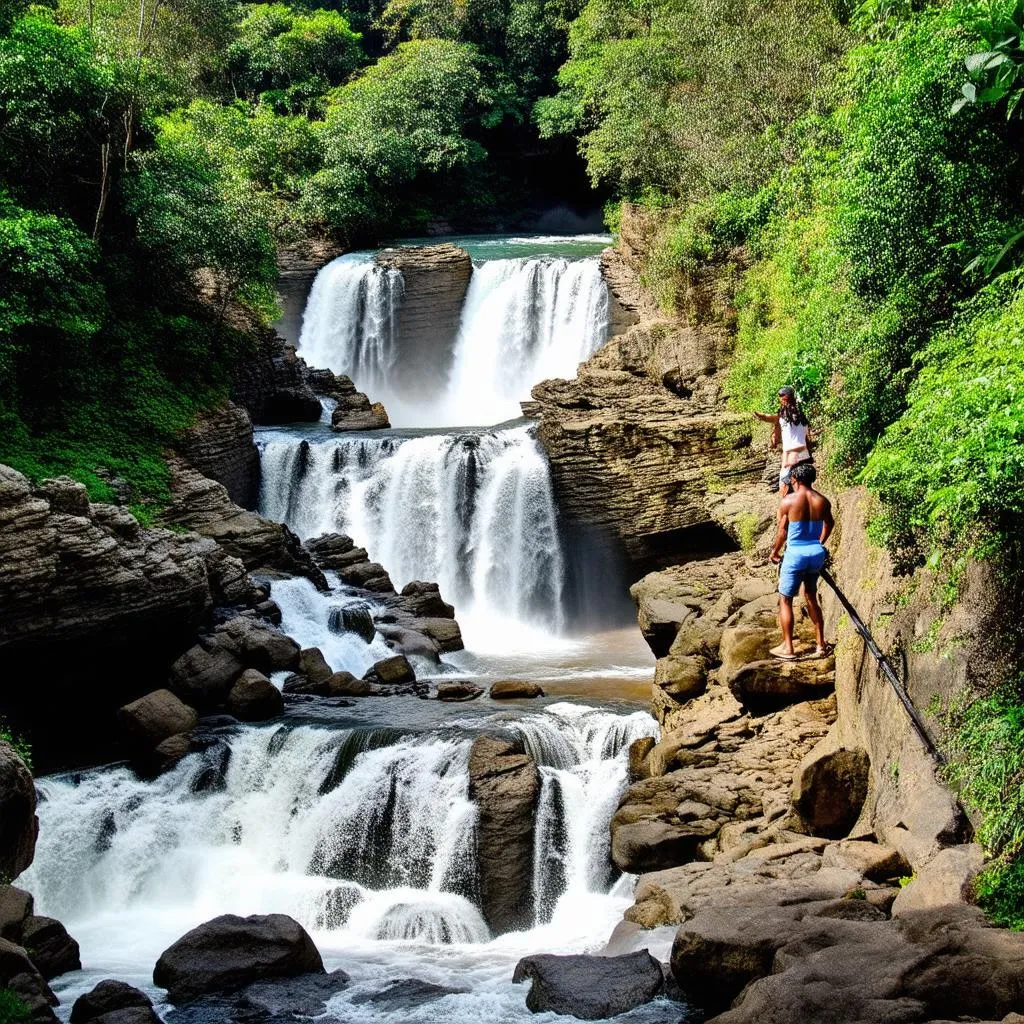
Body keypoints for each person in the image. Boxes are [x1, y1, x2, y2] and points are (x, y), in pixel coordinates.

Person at [768, 461, 834, 661]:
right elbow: (830, 524)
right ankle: (820, 645)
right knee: (811, 596)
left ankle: (788, 648)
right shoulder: (822, 501)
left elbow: (782, 531)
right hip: (815, 554)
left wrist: (774, 552)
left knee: (785, 600)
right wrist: (819, 543)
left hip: (795, 555)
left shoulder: (788, 501)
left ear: (794, 479)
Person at [753, 385, 814, 496]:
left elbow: (768, 418)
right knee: (806, 487)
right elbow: (807, 439)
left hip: (790, 454)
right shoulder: (802, 416)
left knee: (784, 488)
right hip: (804, 453)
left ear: (784, 399)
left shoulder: (782, 416)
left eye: (781, 397)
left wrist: (758, 415)